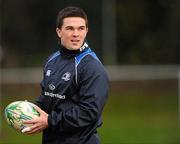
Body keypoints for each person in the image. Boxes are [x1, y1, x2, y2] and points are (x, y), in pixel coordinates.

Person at [24, 6, 109, 144]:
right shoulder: (52, 60)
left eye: (81, 28)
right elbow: (47, 95)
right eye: (70, 28)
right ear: (59, 31)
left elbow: (89, 112)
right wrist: (30, 110)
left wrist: (49, 121)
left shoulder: (92, 67)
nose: (76, 34)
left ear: (86, 31)